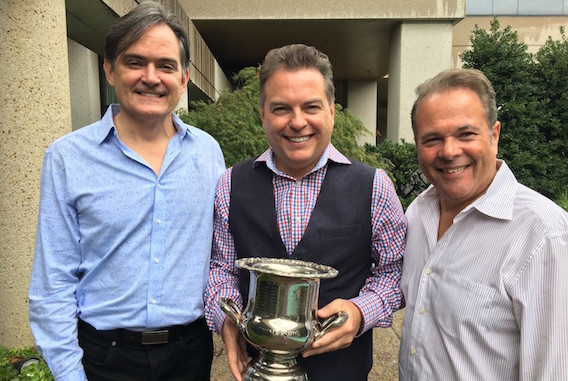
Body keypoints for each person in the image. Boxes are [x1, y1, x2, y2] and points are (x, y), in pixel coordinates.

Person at [28, 2, 225, 380]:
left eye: (166, 66)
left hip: (189, 354)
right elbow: (52, 287)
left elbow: (221, 254)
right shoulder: (68, 158)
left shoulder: (208, 153)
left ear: (184, 78)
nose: (151, 77)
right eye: (135, 62)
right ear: (109, 70)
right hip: (103, 359)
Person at [203, 43, 407, 381]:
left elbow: (394, 273)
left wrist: (360, 312)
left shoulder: (375, 187)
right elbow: (219, 268)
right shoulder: (229, 184)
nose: (297, 122)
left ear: (330, 109)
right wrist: (228, 317)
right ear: (263, 114)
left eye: (311, 106)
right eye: (281, 108)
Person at [399, 68, 568, 380]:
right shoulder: (418, 214)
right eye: (433, 138)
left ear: (494, 135)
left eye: (466, 134)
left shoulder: (544, 236)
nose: (449, 151)